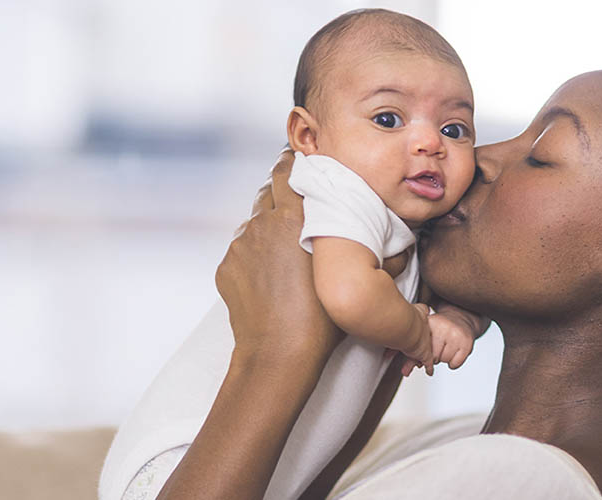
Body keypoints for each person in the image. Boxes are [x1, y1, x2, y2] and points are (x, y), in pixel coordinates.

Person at [147, 35, 602, 499]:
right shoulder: (482, 453)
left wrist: (273, 353)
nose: (479, 160)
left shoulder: (514, 481)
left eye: (541, 154)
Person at [99, 9, 489, 500]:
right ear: (309, 138)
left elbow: (470, 286)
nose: (430, 142)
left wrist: (460, 319)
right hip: (180, 459)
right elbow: (349, 294)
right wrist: (420, 331)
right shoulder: (336, 188)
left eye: (455, 129)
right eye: (388, 119)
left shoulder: (410, 222)